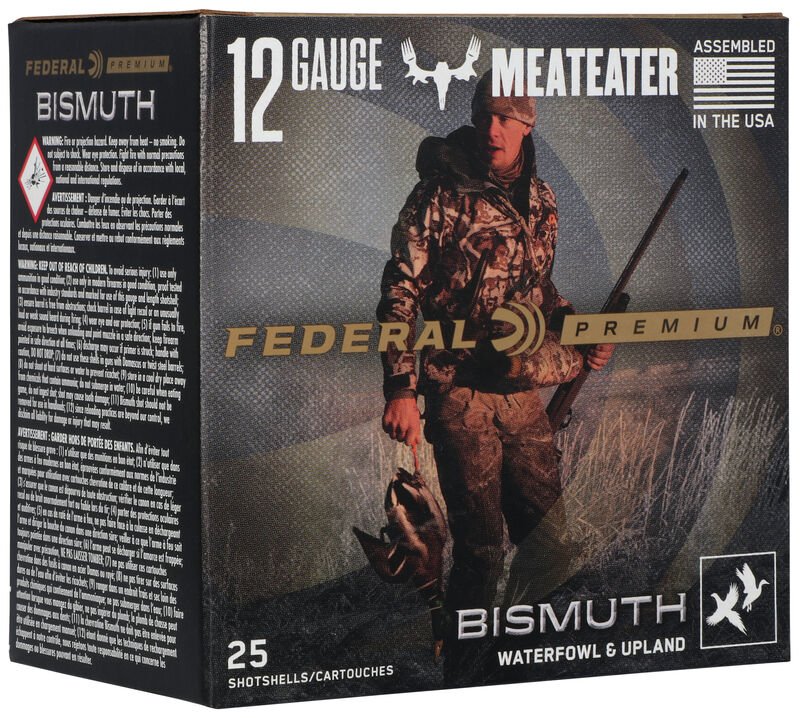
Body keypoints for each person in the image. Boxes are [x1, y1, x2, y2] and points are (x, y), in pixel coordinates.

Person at [377, 72, 613, 681]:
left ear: (528, 124)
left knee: (548, 538)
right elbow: (400, 292)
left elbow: (539, 290)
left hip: (520, 391)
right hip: (458, 393)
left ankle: (535, 661)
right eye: (484, 114)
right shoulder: (437, 196)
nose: (492, 129)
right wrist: (401, 388)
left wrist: (578, 331)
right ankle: (467, 675)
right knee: (480, 550)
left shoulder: (543, 200)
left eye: (507, 117)